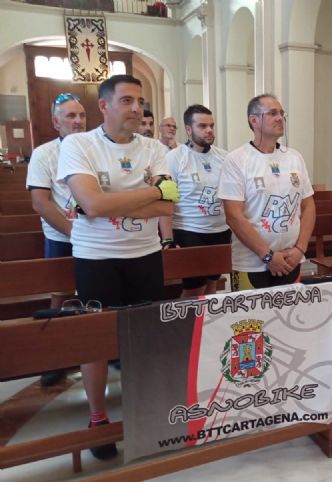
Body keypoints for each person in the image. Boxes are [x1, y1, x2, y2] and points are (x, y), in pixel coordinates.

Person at [57, 74, 179, 460]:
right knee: (95, 342)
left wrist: (113, 199)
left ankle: (145, 411)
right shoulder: (80, 145)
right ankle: (98, 418)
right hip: (96, 258)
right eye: (126, 100)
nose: (136, 108)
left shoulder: (155, 148)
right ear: (104, 106)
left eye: (139, 101)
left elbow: (167, 205)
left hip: (144, 256)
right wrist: (150, 192)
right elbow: (91, 206)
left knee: (146, 339)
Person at [218, 94, 315, 291]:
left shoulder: (294, 157)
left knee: (288, 318)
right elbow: (234, 216)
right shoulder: (237, 159)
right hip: (251, 263)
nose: (280, 118)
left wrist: (300, 249)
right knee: (251, 321)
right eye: (272, 113)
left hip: (291, 259)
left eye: (281, 113)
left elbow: (308, 205)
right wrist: (268, 255)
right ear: (254, 120)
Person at [26, 92, 86, 386]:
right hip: (62, 235)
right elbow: (41, 202)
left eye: (81, 116)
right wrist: (72, 231)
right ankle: (54, 357)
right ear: (55, 122)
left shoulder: (93, 147)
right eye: (70, 116)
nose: (77, 122)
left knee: (95, 293)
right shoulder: (44, 154)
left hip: (95, 237)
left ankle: (101, 350)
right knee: (60, 295)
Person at [164, 104, 230, 297]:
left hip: (219, 230)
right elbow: (166, 201)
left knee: (212, 284)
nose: (209, 130)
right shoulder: (175, 158)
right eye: (202, 126)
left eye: (211, 125)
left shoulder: (223, 157)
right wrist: (167, 239)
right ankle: (185, 326)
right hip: (189, 231)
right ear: (188, 129)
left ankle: (207, 326)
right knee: (193, 287)